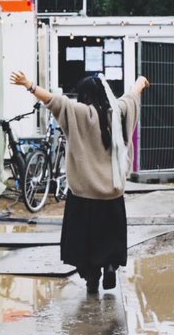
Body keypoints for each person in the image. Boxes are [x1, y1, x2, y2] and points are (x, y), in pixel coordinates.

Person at [10, 69, 150, 293]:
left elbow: (54, 101)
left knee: (85, 243)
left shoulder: (79, 113)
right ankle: (111, 266)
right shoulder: (118, 112)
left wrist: (29, 84)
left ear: (84, 95)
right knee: (110, 237)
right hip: (112, 194)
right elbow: (131, 97)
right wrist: (140, 82)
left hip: (84, 195)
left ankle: (91, 278)